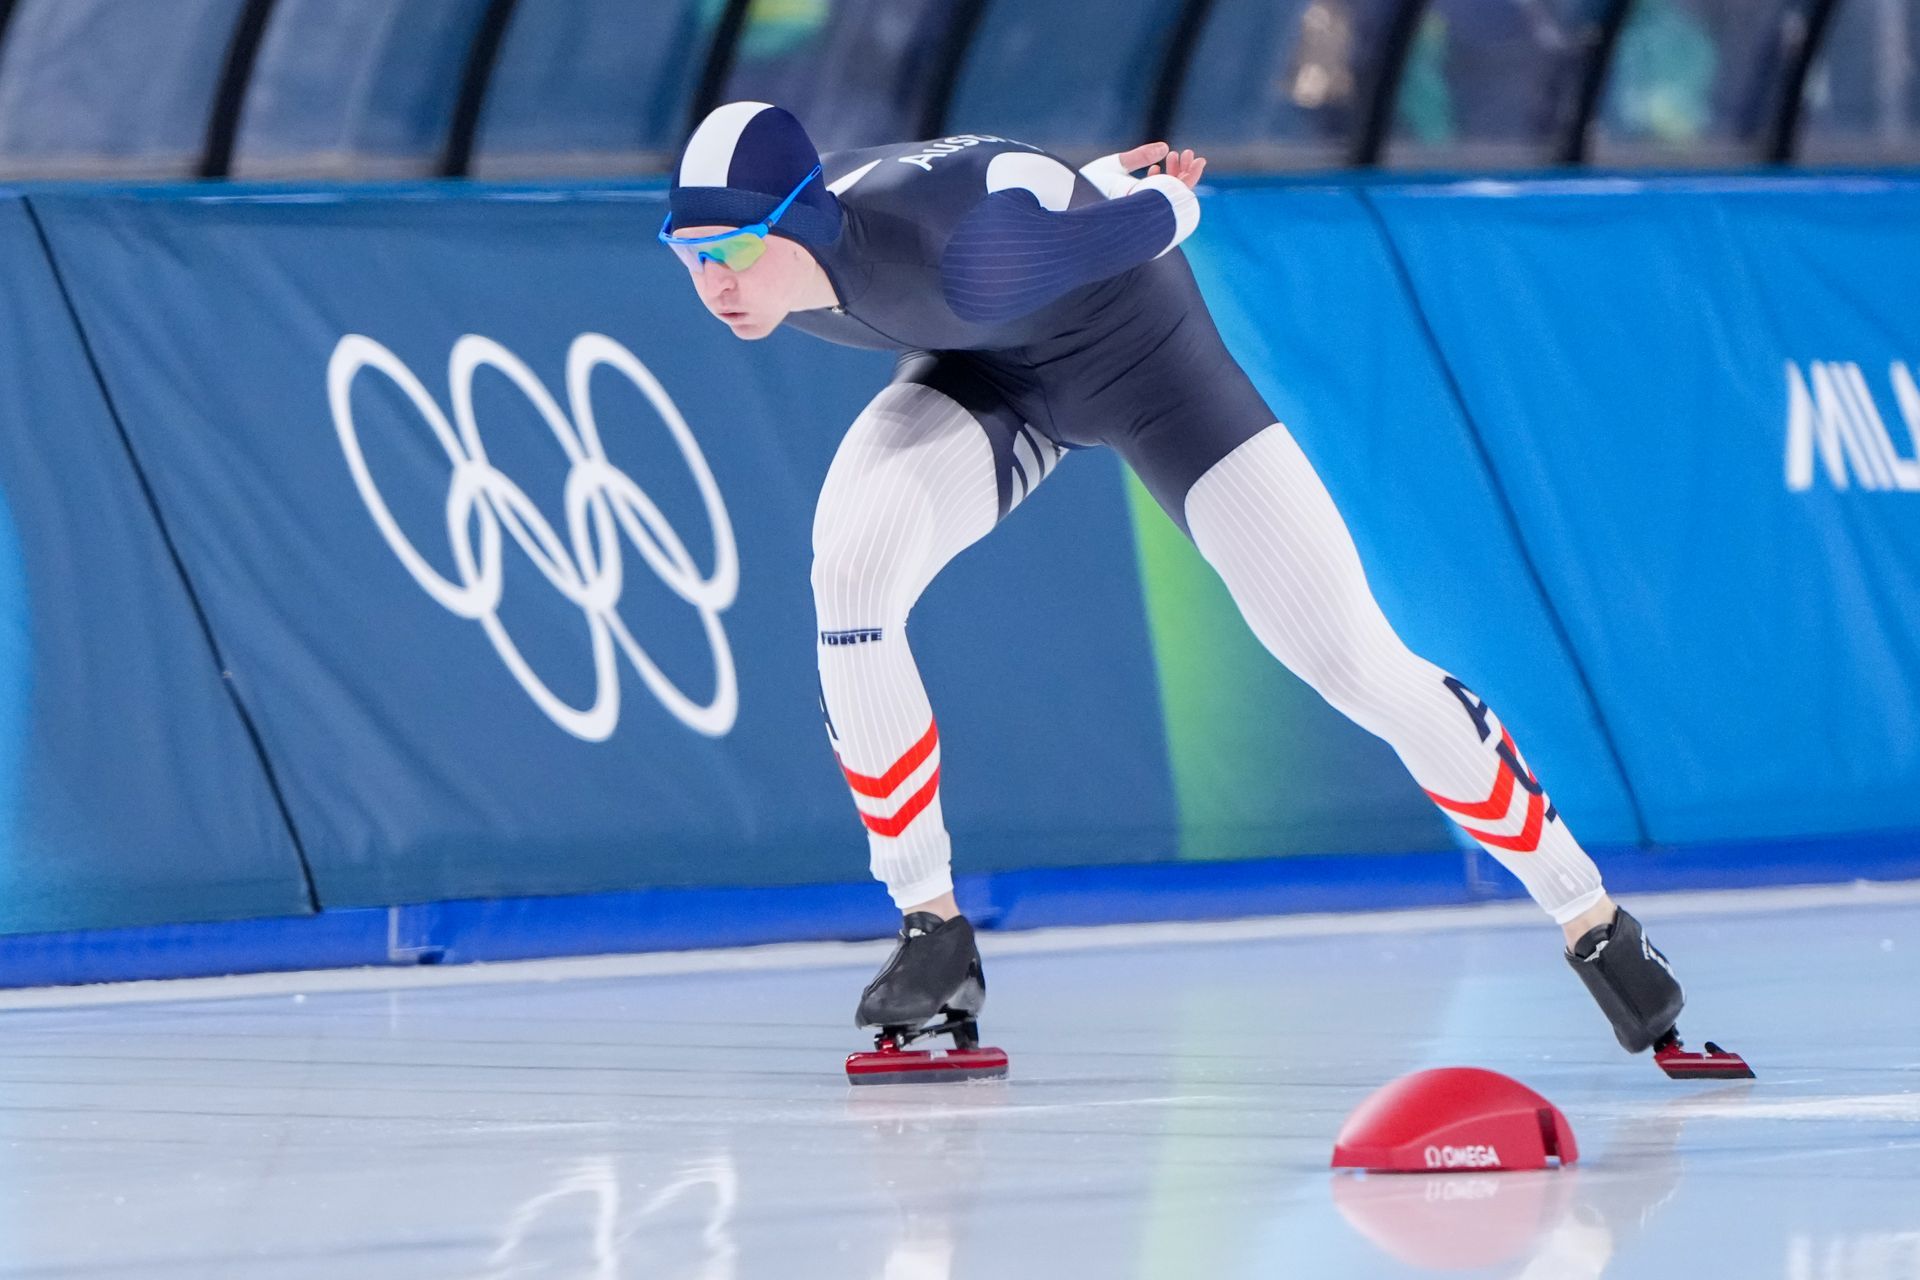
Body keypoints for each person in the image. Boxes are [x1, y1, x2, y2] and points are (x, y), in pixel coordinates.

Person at [658, 101, 1745, 1081]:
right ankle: (930, 931)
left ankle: (1597, 923)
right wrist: (1076, 183)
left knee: (1352, 660)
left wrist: (1149, 194)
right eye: (691, 254)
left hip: (1146, 362)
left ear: (803, 220)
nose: (716, 284)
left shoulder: (958, 258)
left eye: (736, 250)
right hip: (989, 367)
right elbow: (999, 184)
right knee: (851, 577)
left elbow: (1140, 224)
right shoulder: (805, 258)